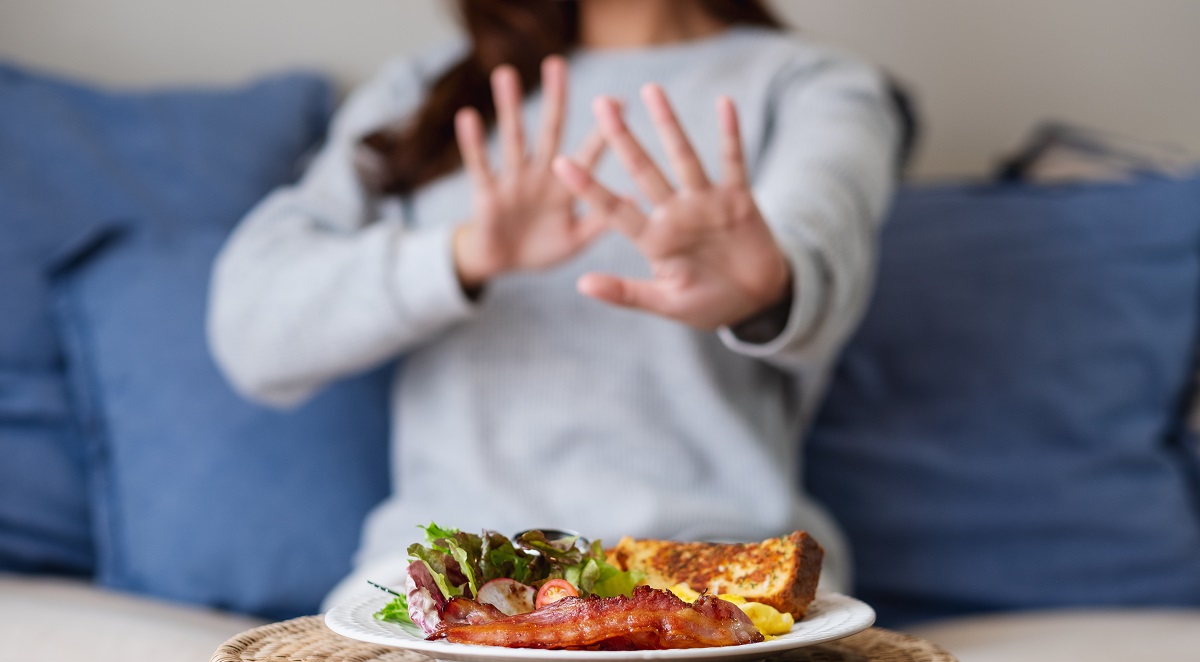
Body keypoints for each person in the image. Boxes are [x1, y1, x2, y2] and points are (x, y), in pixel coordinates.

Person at [207, 0, 901, 608]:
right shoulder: (421, 92)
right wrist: (460, 255)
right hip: (446, 574)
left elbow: (820, 244)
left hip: (724, 571)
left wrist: (765, 291)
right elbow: (251, 330)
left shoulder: (811, 86)